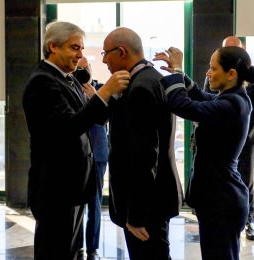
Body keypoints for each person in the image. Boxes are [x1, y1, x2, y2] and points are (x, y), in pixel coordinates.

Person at [22, 21, 130, 260]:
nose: (80, 55)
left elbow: (94, 118)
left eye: (81, 48)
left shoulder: (67, 79)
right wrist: (103, 93)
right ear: (53, 47)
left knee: (69, 251)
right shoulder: (43, 82)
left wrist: (111, 95)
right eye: (74, 48)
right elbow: (70, 126)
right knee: (55, 252)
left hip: (72, 187)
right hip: (55, 189)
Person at [154, 46, 254, 260]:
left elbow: (184, 106)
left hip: (222, 202)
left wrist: (176, 74)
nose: (208, 73)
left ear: (231, 74)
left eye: (213, 68)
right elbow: (203, 97)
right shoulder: (234, 98)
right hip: (221, 199)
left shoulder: (232, 103)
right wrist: (181, 75)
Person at [103, 27, 183, 260]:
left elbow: (144, 156)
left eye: (106, 54)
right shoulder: (154, 78)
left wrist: (136, 215)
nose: (105, 60)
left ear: (121, 51)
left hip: (146, 204)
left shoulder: (140, 88)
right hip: (156, 196)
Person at [222, 36, 254, 241]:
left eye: (234, 49)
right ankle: (227, 218)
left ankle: (248, 222)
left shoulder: (253, 74)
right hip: (223, 137)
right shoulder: (215, 71)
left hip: (246, 138)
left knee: (246, 181)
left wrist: (241, 131)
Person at [73, 57, 109, 259]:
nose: (84, 72)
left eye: (86, 68)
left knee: (94, 202)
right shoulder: (70, 90)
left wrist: (94, 97)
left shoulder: (101, 89)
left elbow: (107, 116)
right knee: (76, 200)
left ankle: (92, 248)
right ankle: (77, 244)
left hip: (98, 152)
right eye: (80, 69)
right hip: (78, 153)